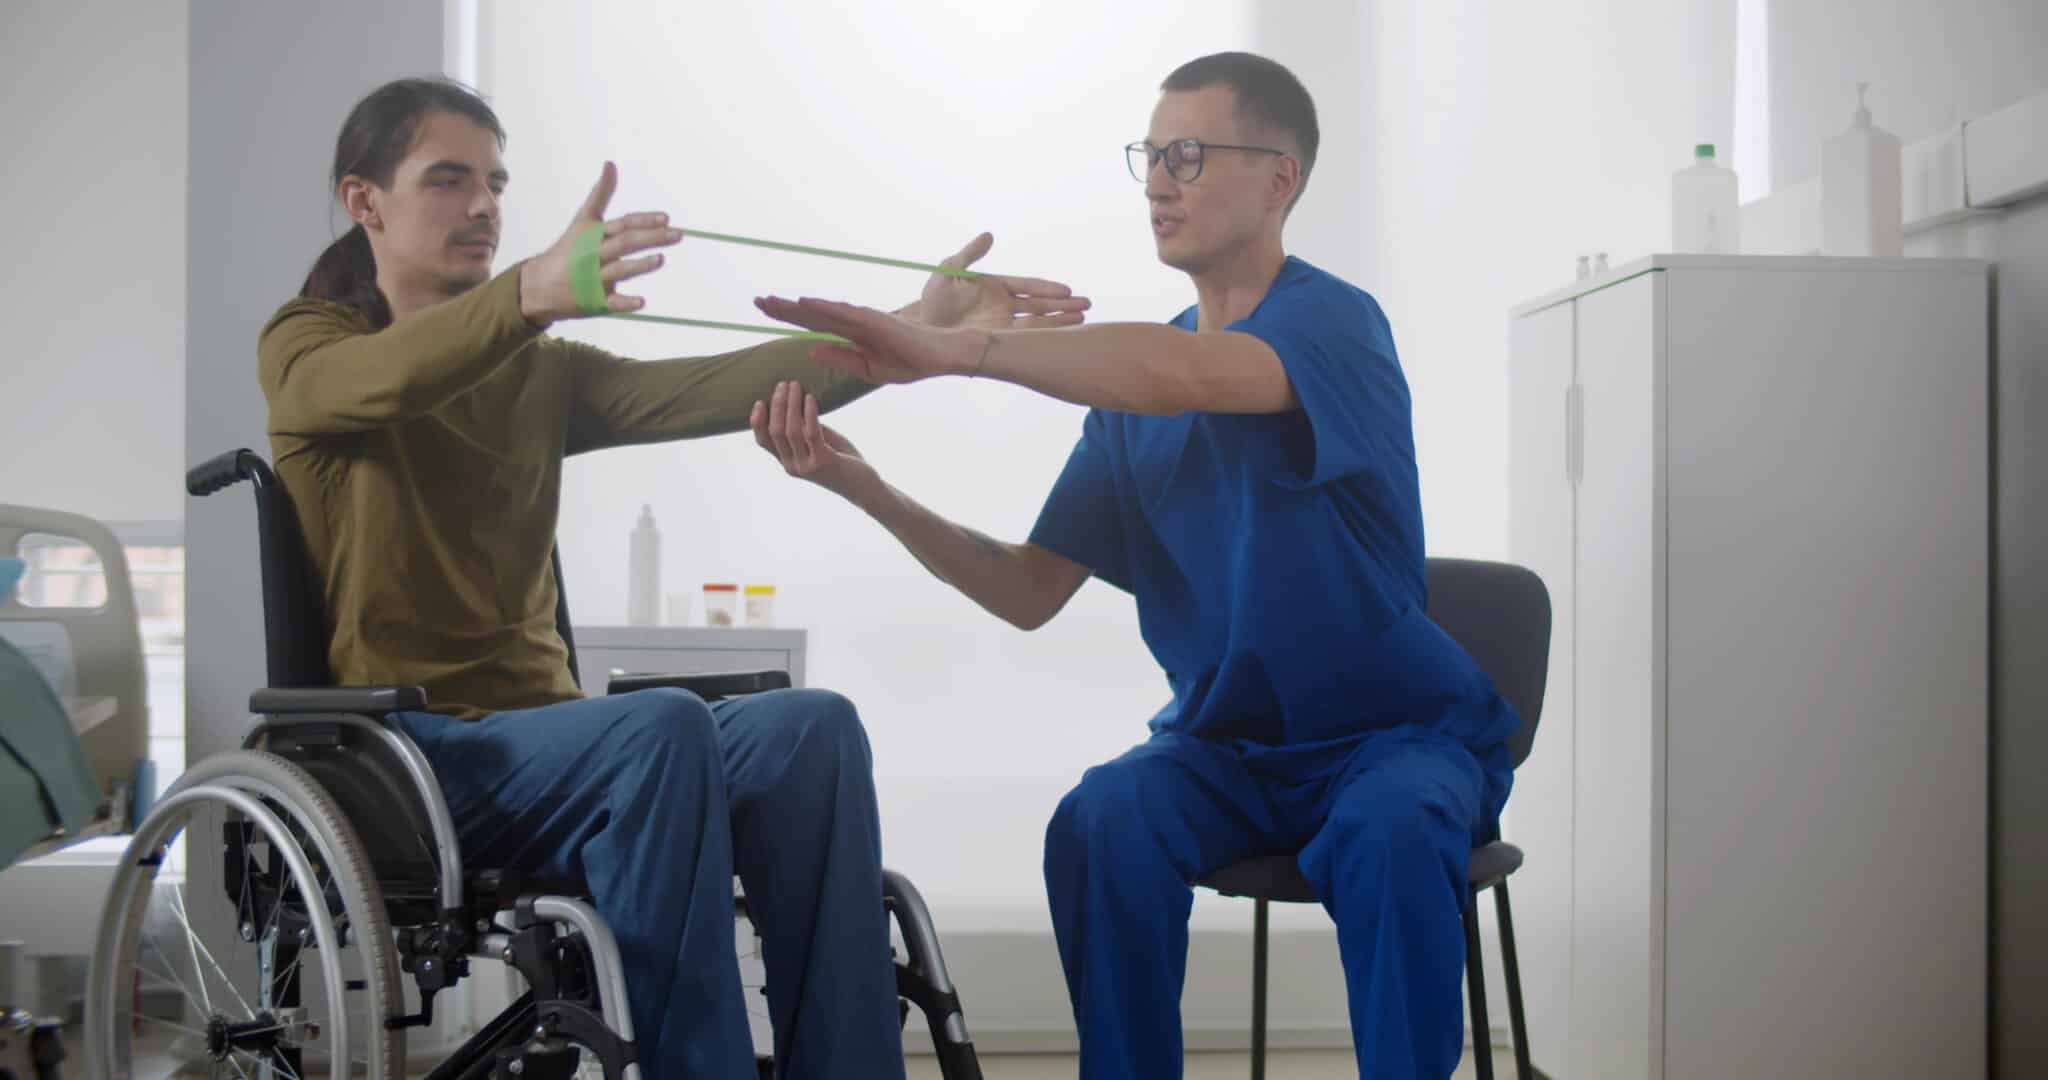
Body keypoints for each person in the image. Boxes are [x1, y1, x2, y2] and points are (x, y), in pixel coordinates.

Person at [258, 76, 1088, 1079]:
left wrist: (910, 332)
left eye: (495, 183)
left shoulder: (539, 373)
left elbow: (713, 385)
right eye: (448, 180)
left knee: (807, 728)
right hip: (411, 759)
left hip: (546, 744)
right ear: (364, 200)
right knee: (658, 727)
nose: (482, 205)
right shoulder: (307, 345)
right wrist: (521, 296)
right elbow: (374, 384)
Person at [747, 52, 1518, 1078]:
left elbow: (1187, 375)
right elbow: (1025, 591)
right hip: (1225, 751)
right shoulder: (1127, 399)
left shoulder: (1334, 326)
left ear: (1278, 176)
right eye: (1150, 156)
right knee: (1102, 820)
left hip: (1393, 739)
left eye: (1188, 156)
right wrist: (866, 488)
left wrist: (960, 352)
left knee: (1389, 829)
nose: (1157, 180)